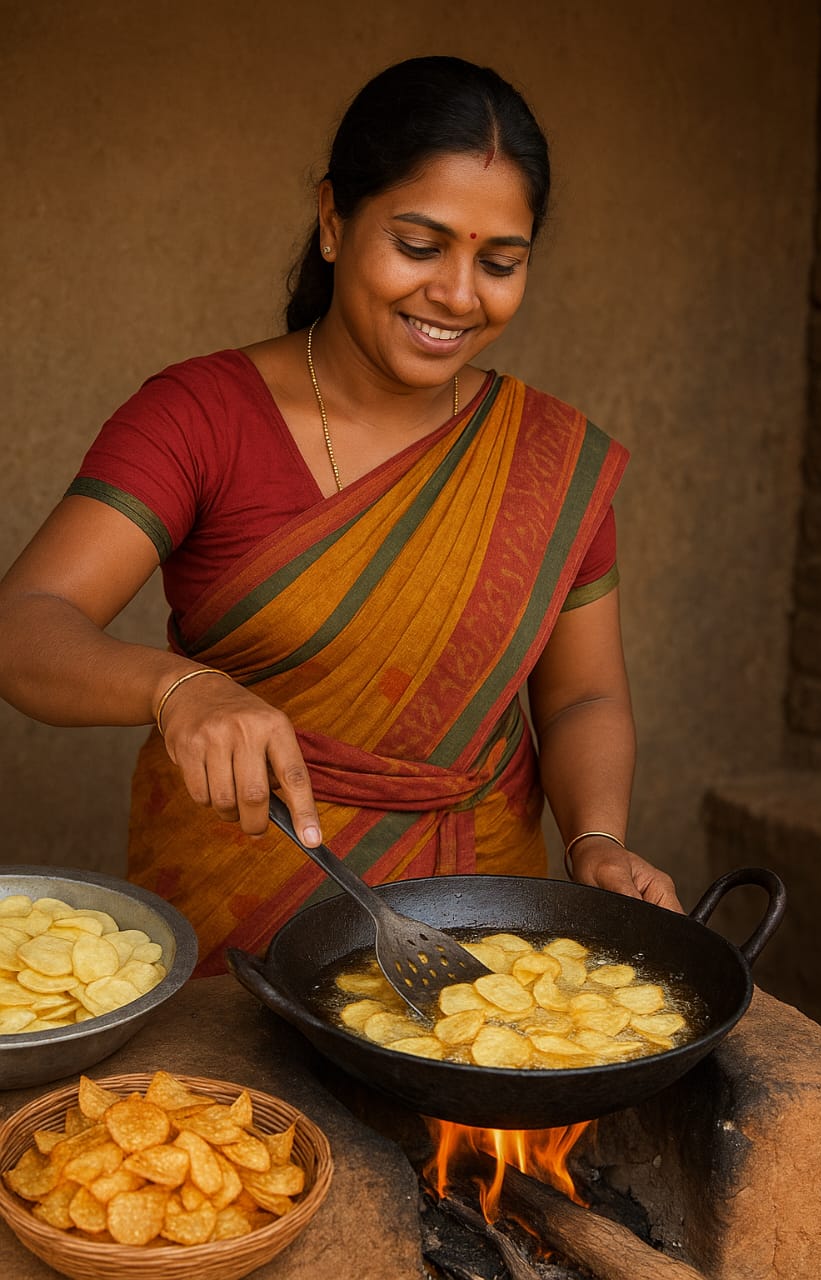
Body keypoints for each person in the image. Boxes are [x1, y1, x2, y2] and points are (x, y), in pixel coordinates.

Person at [0, 55, 681, 975]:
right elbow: (25, 625)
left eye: (500, 262)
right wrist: (177, 690)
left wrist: (594, 838)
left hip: (482, 940)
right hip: (241, 920)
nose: (457, 294)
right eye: (419, 244)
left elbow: (585, 695)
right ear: (333, 220)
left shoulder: (546, 459)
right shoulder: (201, 416)